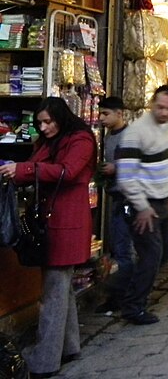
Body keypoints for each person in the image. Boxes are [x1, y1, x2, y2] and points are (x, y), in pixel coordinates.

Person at [0, 97, 97, 378]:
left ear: (60, 117)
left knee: (54, 292)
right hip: (51, 220)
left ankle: (45, 361)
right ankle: (69, 346)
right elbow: (38, 166)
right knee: (61, 288)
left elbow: (68, 171)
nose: (44, 127)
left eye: (48, 121)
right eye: (40, 122)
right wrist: (18, 172)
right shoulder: (48, 142)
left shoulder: (80, 140)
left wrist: (24, 170)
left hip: (66, 222)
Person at [116, 85, 168, 325]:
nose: (165, 113)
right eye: (161, 107)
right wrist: (141, 207)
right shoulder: (136, 132)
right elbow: (126, 175)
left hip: (162, 201)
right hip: (143, 205)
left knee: (166, 252)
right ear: (152, 104)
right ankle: (133, 306)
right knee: (151, 255)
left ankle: (123, 289)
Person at [94, 96, 132, 315]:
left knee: (123, 250)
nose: (101, 119)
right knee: (118, 248)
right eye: (100, 114)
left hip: (128, 201)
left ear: (120, 113)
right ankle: (118, 296)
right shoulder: (109, 137)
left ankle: (123, 298)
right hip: (116, 198)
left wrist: (116, 169)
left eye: (106, 114)